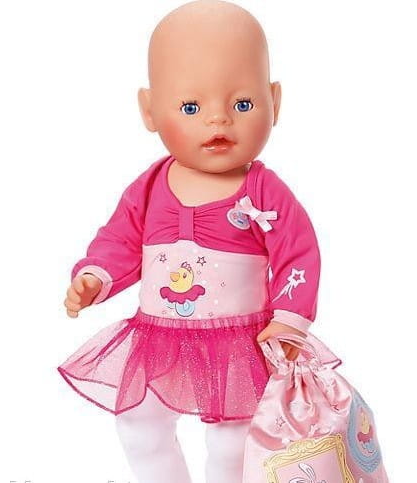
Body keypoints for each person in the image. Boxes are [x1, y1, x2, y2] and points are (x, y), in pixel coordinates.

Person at [58, 1, 338, 481]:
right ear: (149, 111)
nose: (218, 121)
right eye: (191, 107)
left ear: (275, 102)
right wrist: (94, 277)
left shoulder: (263, 190)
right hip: (158, 336)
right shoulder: (150, 186)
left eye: (242, 105)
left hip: (239, 341)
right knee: (138, 421)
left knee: (233, 437)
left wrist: (289, 320)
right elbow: (119, 239)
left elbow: (298, 253)